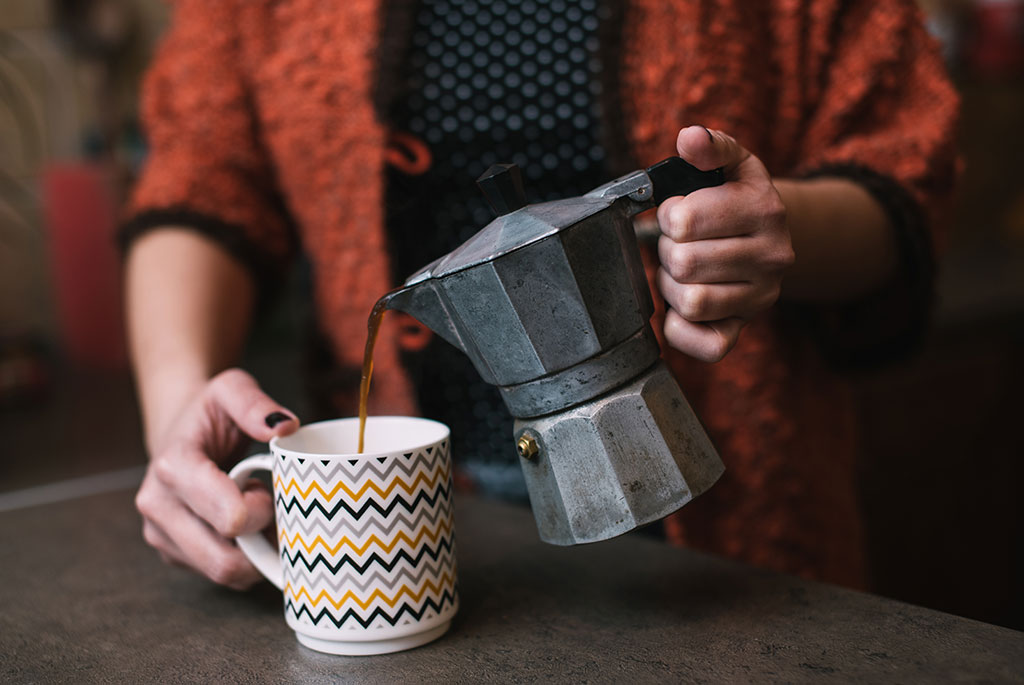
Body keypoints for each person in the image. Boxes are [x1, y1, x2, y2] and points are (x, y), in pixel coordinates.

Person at [121, 0, 958, 591]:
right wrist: (177, 410)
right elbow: (202, 175)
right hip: (422, 540)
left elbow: (899, 175)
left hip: (748, 537)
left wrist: (757, 228)